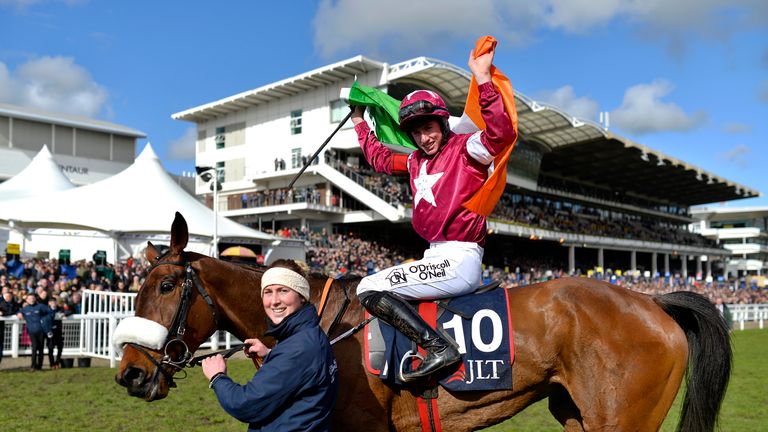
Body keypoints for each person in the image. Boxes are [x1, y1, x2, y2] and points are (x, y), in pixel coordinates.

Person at [350, 45, 516, 382]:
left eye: (429, 129)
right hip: (435, 256)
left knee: (367, 287)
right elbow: (381, 158)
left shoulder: (468, 148)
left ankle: (440, 348)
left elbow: (502, 133)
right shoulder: (415, 160)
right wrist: (358, 122)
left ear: (442, 122)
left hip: (460, 258)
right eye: (416, 132)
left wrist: (483, 79)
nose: (424, 138)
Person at [201, 259, 338, 431]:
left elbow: (245, 404)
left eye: (283, 291)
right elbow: (301, 376)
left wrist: (217, 377)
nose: (274, 301)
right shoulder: (309, 334)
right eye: (268, 292)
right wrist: (270, 355)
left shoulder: (298, 348)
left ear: (302, 296)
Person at [17, 294, 54, 371]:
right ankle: (33, 366)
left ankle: (39, 366)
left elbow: (51, 312)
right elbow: (19, 311)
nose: (32, 300)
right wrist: (19, 313)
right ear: (27, 300)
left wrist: (44, 319)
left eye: (33, 298)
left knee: (40, 348)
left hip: (41, 330)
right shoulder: (25, 309)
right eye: (30, 298)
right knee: (34, 348)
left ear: (35, 299)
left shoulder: (41, 306)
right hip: (31, 331)